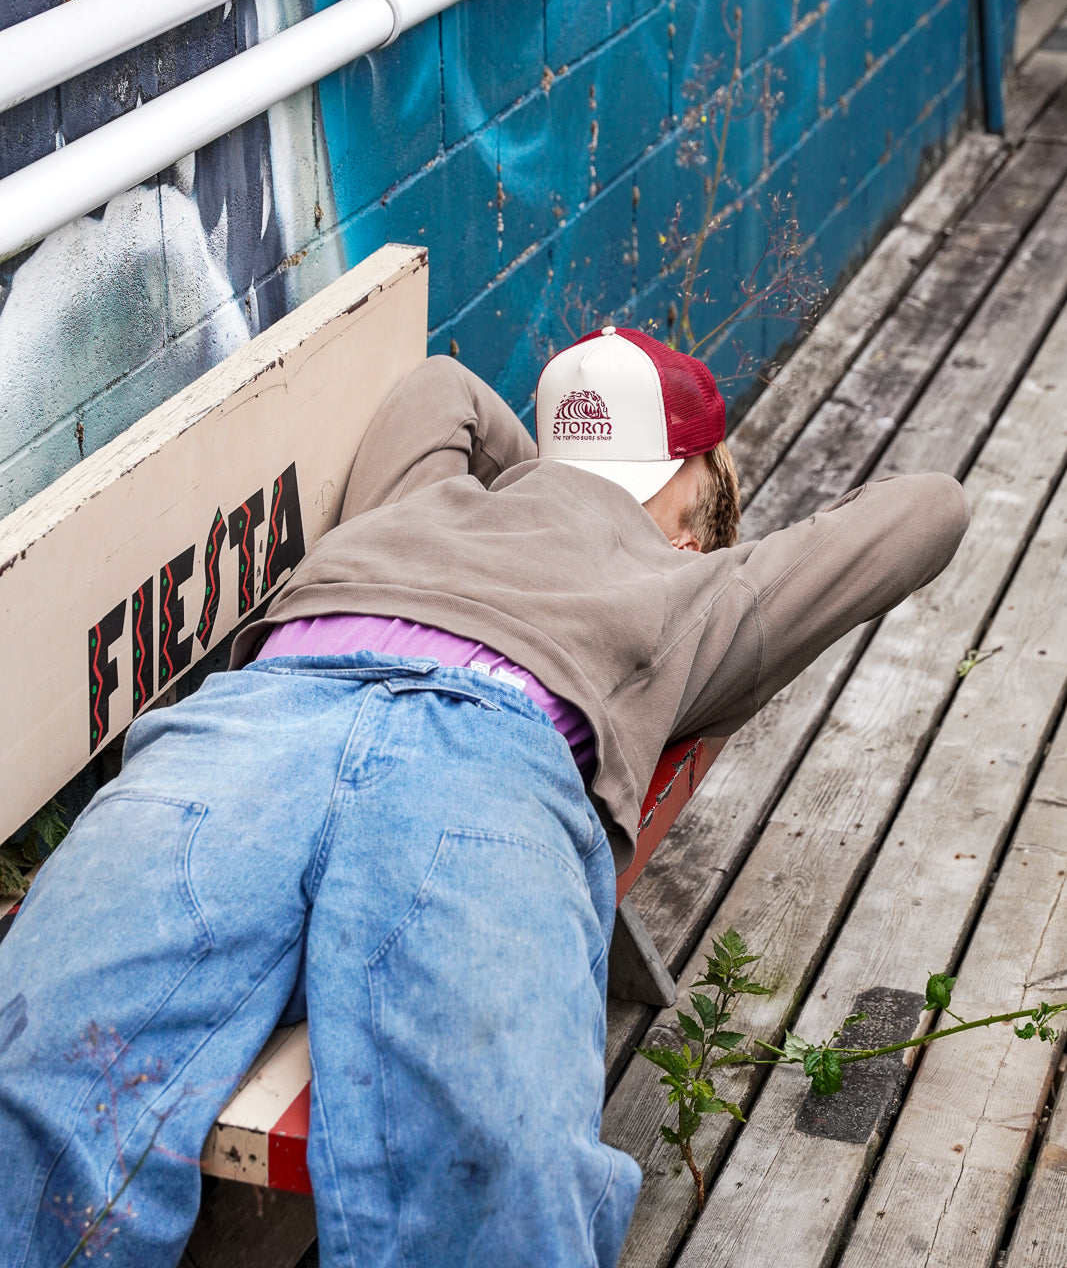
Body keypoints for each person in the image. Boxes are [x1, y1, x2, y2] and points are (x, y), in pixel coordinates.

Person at [0, 326, 970, 1268]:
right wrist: (628, 513)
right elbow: (928, 507)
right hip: (481, 768)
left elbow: (442, 390)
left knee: (37, 1076)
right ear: (695, 488)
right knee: (492, 1167)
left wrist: (547, 474)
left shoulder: (428, 499)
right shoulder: (704, 590)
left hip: (253, 723)